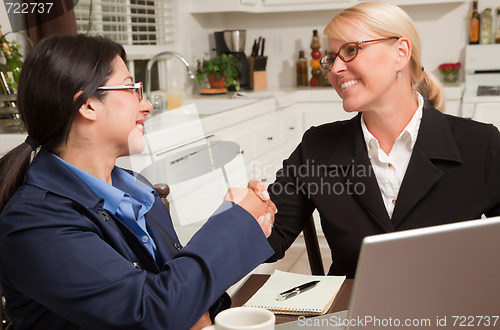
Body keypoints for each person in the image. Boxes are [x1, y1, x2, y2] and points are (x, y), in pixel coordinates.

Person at [0, 34, 276, 330]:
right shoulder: (34, 223)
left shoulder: (137, 190)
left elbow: (177, 291)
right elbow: (151, 312)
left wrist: (231, 219)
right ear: (88, 105)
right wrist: (234, 226)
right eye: (132, 88)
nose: (146, 106)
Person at [267, 1, 500, 279]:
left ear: (400, 53)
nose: (335, 69)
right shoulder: (317, 147)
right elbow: (267, 235)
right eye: (330, 59)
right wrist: (241, 215)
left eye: (351, 50)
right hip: (353, 315)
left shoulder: (482, 145)